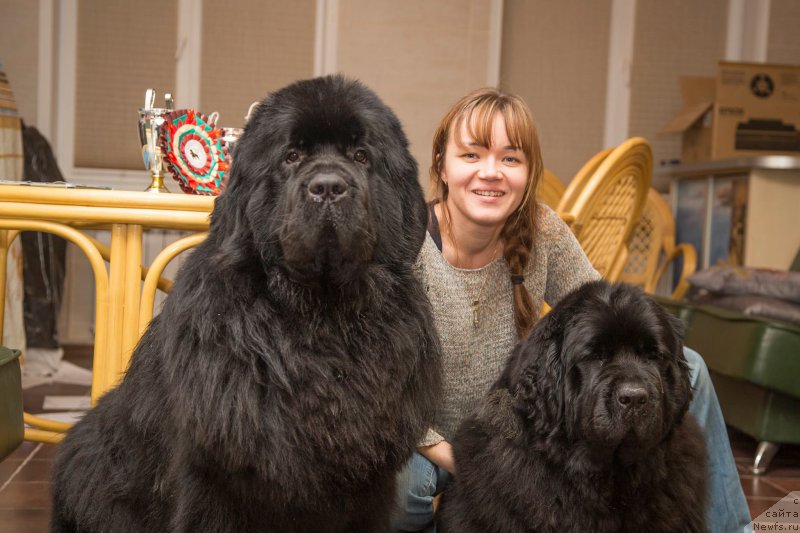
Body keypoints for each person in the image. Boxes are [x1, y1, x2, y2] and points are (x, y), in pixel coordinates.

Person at [391, 88, 751, 532]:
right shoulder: (403, 247)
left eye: (510, 158)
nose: (491, 172)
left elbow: (603, 312)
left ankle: (734, 528)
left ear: (528, 173)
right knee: (403, 490)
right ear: (442, 166)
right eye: (472, 155)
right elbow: (372, 383)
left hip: (508, 428)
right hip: (428, 442)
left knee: (689, 366)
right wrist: (457, 457)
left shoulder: (543, 231)